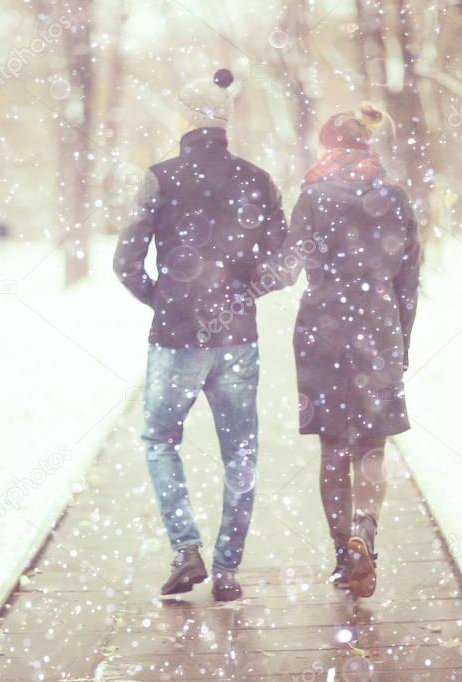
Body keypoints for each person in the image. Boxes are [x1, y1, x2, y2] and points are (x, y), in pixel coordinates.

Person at [113, 68, 288, 601]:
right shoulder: (256, 180)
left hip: (176, 340)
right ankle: (229, 569)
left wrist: (164, 300)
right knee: (240, 453)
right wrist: (243, 294)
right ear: (227, 122)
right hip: (237, 339)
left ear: (185, 121)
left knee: (160, 440)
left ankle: (187, 550)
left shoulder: (160, 178)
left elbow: (125, 262)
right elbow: (287, 263)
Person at [283, 102, 420, 598]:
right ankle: (366, 528)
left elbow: (284, 269)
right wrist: (401, 340)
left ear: (327, 147)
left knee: (332, 446)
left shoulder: (313, 197)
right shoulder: (396, 198)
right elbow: (409, 281)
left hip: (322, 330)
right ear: (368, 146)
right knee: (371, 445)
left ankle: (344, 553)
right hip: (378, 329)